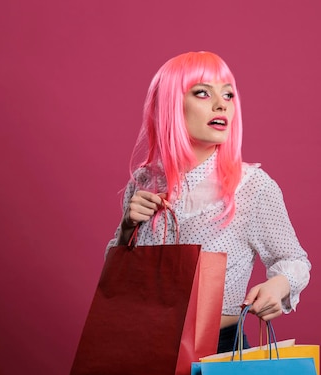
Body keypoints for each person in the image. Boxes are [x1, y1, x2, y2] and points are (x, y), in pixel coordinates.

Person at [106, 51, 310, 353]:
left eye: (228, 94)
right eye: (203, 93)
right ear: (171, 105)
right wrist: (126, 230)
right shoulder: (144, 181)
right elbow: (114, 280)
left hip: (218, 349)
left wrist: (278, 287)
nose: (221, 104)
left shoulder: (251, 186)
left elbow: (294, 261)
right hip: (141, 343)